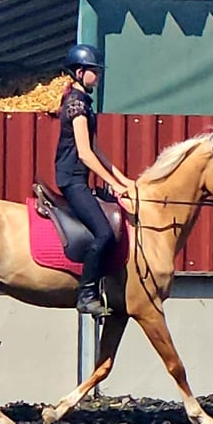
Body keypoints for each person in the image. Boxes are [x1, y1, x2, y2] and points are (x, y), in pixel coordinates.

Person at [54, 43, 135, 317]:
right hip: (71, 180)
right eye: (94, 72)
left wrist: (124, 180)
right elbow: (86, 154)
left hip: (79, 178)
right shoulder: (76, 105)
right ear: (79, 72)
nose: (98, 77)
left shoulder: (84, 103)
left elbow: (97, 149)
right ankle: (86, 293)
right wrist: (112, 183)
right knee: (103, 232)